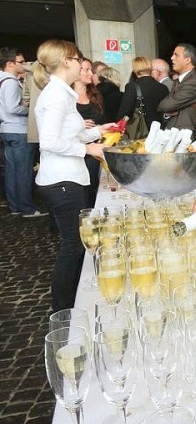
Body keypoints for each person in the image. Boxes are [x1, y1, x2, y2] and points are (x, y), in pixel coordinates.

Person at [34, 40, 112, 311]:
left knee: (75, 245)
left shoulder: (61, 93)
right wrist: (87, 148)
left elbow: (71, 133)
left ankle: (71, 303)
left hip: (67, 177)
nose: (82, 64)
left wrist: (99, 131)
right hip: (62, 181)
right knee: (72, 247)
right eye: (78, 59)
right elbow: (50, 142)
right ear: (66, 61)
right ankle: (64, 310)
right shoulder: (56, 95)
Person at [0, 47, 44, 217]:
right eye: (21, 62)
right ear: (10, 64)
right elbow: (13, 108)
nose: (24, 64)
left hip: (6, 129)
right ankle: (27, 208)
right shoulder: (10, 82)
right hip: (18, 130)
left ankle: (15, 207)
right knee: (24, 171)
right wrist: (29, 108)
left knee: (12, 171)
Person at [73, 58, 106, 206]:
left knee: (94, 185)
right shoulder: (67, 97)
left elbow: (102, 117)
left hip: (96, 147)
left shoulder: (95, 94)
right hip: (76, 150)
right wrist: (79, 124)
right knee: (81, 189)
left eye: (90, 70)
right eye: (86, 70)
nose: (91, 73)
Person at [158, 43, 196, 138]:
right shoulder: (179, 80)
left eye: (176, 55)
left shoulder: (193, 82)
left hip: (185, 135)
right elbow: (164, 106)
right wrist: (168, 111)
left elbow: (166, 105)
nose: (172, 58)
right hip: (176, 132)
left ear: (187, 60)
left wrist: (168, 108)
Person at [119, 56, 169, 127]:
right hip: (159, 128)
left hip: (140, 130)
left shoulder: (132, 87)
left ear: (135, 70)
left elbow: (124, 111)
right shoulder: (163, 88)